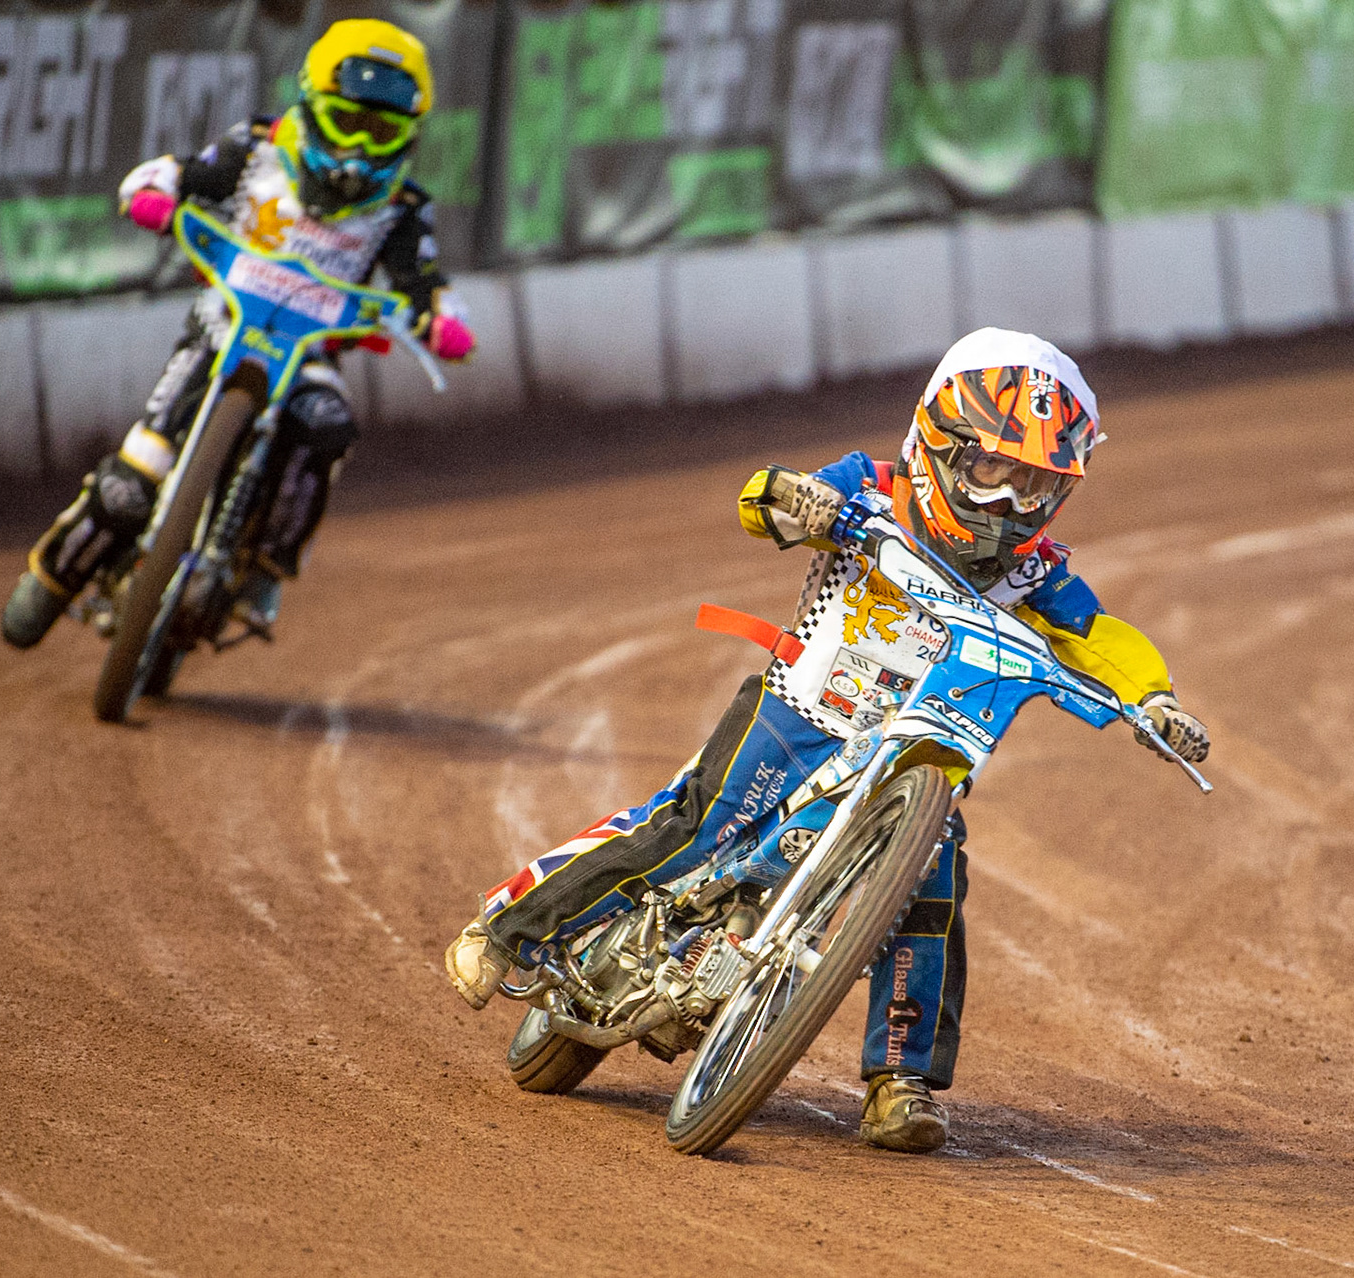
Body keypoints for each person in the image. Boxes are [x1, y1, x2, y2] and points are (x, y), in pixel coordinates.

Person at [443, 328, 1210, 1153]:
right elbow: (766, 499)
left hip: (917, 759)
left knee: (934, 883)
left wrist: (1154, 700)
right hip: (798, 714)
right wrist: (794, 500)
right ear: (939, 442)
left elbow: (1100, 634)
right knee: (694, 826)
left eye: (1037, 485)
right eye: (992, 471)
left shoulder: (1036, 570)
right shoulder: (873, 488)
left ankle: (898, 1083)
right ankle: (510, 926)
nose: (1009, 505)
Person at [0, 18, 475, 649]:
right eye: (349, 121)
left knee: (327, 425)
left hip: (309, 354)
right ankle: (53, 576)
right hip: (223, 329)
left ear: (408, 136)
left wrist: (441, 319)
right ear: (313, 103)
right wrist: (154, 192)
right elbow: (182, 173)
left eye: (382, 130)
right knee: (132, 480)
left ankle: (266, 567)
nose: (361, 145)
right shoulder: (258, 146)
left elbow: (424, 279)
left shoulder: (405, 208)